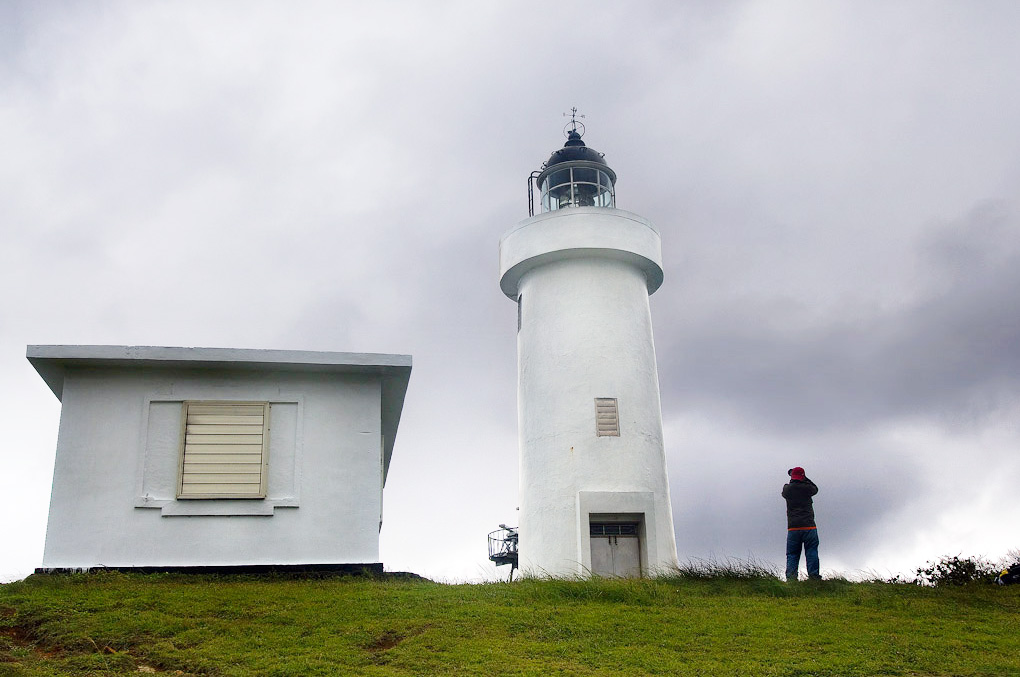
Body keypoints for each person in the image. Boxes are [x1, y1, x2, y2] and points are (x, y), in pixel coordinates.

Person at [782, 466, 820, 581]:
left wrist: (792, 478)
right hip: (809, 526)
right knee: (811, 552)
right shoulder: (807, 488)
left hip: (793, 528)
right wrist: (805, 478)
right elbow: (815, 488)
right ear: (803, 477)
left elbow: (786, 490)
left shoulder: (787, 489)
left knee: (792, 554)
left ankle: (791, 579)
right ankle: (814, 578)